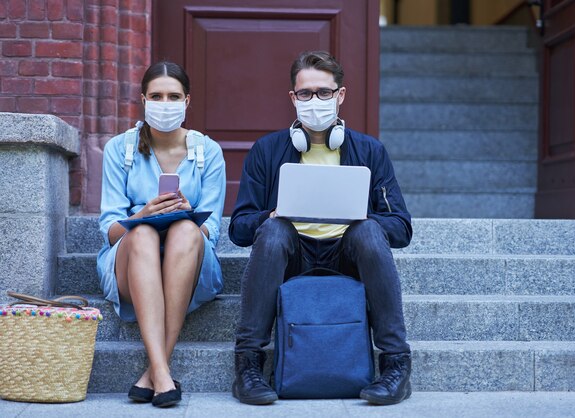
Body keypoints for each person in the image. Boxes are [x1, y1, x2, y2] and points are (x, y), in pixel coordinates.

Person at [229, 51, 413, 406]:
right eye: (305, 93)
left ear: (340, 96)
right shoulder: (267, 151)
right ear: (292, 98)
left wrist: (364, 218)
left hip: (348, 255)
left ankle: (396, 365)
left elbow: (401, 228)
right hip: (290, 256)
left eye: (324, 93)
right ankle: (248, 364)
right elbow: (239, 228)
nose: (315, 101)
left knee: (370, 231)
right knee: (275, 230)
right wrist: (272, 215)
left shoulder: (370, 151)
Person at [97, 61, 226, 408]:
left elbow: (211, 232)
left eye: (173, 96)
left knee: (186, 229)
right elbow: (110, 232)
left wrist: (186, 213)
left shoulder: (208, 152)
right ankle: (162, 373)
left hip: (190, 264)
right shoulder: (119, 150)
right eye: (157, 96)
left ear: (187, 101)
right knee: (141, 235)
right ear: (143, 99)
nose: (165, 104)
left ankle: (154, 373)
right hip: (132, 264)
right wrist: (142, 216)